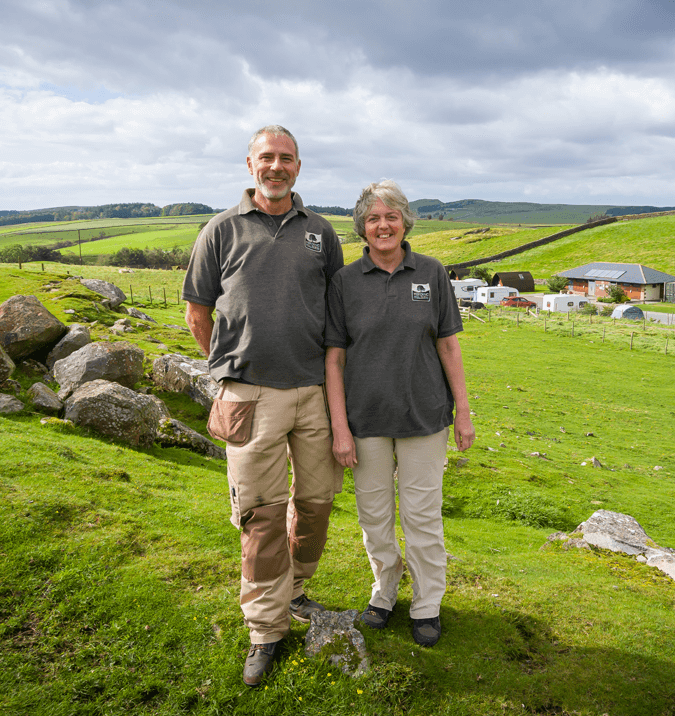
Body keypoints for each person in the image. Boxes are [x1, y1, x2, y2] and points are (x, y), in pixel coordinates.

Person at [182, 125, 344, 686]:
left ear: (299, 167)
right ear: (250, 164)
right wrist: (232, 367)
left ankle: (294, 588)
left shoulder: (321, 232)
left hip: (315, 396)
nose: (276, 167)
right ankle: (265, 629)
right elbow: (198, 314)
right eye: (266, 158)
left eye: (287, 159)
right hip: (249, 396)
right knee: (260, 516)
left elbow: (335, 312)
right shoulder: (220, 230)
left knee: (317, 503)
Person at [324, 179, 475, 648]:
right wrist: (340, 428)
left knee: (422, 517)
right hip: (365, 421)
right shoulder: (344, 282)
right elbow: (334, 358)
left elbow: (448, 345)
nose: (382, 225)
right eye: (373, 218)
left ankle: (427, 603)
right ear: (362, 228)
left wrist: (464, 412)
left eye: (391, 216)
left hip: (424, 418)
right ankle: (384, 592)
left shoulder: (431, 273)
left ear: (405, 221)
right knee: (374, 517)